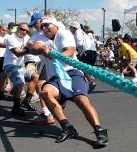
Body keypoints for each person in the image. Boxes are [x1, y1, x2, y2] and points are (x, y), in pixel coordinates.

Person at [29, 15, 108, 146]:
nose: (44, 28)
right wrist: (32, 46)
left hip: (72, 73)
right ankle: (67, 127)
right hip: (55, 78)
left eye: (47, 25)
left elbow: (69, 52)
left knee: (81, 100)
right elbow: (31, 45)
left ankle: (99, 130)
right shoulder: (41, 37)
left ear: (55, 25)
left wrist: (48, 52)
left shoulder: (63, 33)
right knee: (45, 93)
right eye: (42, 26)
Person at [3, 22, 39, 116]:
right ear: (17, 28)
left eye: (26, 31)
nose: (24, 32)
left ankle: (27, 101)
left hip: (20, 67)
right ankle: (16, 107)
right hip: (10, 66)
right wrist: (29, 49)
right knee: (20, 81)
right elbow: (17, 53)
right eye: (22, 29)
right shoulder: (11, 38)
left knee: (35, 77)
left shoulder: (26, 37)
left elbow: (33, 43)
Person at [27, 12, 54, 124]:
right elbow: (29, 43)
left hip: (59, 63)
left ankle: (50, 111)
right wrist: (30, 44)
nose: (34, 26)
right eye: (33, 25)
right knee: (40, 87)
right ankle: (46, 113)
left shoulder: (52, 29)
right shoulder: (37, 33)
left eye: (35, 23)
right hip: (45, 63)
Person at [69, 21, 97, 93]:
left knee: (80, 67)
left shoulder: (77, 33)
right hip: (92, 52)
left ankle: (90, 82)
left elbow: (80, 44)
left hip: (87, 52)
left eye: (70, 27)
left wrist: (73, 46)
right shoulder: (83, 33)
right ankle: (88, 82)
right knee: (85, 69)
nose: (69, 29)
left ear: (73, 27)